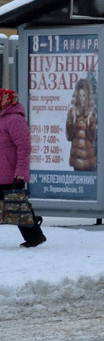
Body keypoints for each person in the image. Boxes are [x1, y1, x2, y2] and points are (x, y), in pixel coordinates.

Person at [0, 88, 46, 248]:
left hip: (10, 174)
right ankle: (35, 236)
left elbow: (24, 147)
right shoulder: (3, 118)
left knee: (19, 207)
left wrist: (20, 172)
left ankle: (35, 236)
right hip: (2, 171)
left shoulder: (14, 120)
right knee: (19, 206)